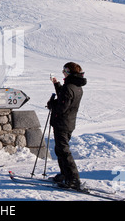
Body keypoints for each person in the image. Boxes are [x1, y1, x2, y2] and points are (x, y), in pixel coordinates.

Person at [48, 62, 87, 190]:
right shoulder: (76, 85)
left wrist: (51, 104)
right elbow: (65, 97)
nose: (63, 72)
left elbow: (61, 107)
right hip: (68, 122)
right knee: (60, 150)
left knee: (64, 151)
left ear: (69, 72)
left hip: (62, 123)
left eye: (64, 69)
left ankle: (73, 179)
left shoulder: (69, 86)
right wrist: (56, 84)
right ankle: (65, 174)